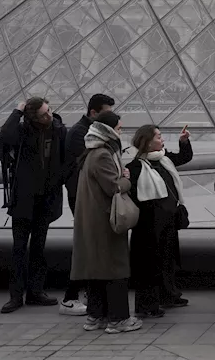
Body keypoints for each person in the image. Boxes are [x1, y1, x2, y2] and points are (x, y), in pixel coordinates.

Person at [0, 97, 67, 313]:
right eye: (43, 114)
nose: (49, 116)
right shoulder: (22, 131)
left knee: (39, 247)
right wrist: (17, 111)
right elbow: (5, 135)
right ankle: (16, 296)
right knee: (19, 248)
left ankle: (36, 292)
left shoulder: (58, 129)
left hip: (46, 197)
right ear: (32, 117)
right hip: (24, 199)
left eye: (49, 111)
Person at [70, 111, 139, 334]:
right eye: (118, 128)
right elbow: (114, 187)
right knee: (115, 270)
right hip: (105, 220)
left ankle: (96, 316)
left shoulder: (91, 153)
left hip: (93, 221)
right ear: (109, 131)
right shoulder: (102, 155)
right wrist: (126, 180)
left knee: (96, 271)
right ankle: (118, 319)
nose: (120, 132)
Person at [125, 124, 193, 318]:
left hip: (168, 220)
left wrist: (184, 142)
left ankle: (168, 294)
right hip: (149, 225)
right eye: (158, 136)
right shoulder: (135, 167)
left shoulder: (164, 159)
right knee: (149, 264)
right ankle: (147, 304)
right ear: (147, 142)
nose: (162, 140)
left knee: (168, 259)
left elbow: (185, 157)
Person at [60, 92, 115, 316]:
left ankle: (85, 294)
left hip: (87, 196)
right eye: (107, 114)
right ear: (94, 113)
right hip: (85, 198)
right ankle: (70, 297)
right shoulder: (81, 135)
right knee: (86, 247)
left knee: (89, 246)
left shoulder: (85, 132)